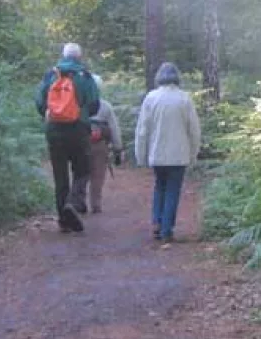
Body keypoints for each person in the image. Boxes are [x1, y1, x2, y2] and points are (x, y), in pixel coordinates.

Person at [35, 42, 100, 233]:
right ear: (79, 57)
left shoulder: (51, 75)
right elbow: (95, 104)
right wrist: (84, 113)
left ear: (63, 56)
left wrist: (49, 114)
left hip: (54, 129)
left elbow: (39, 101)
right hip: (78, 129)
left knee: (60, 175)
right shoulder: (85, 76)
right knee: (83, 169)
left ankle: (64, 221)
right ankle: (73, 202)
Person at [135, 62, 201, 243]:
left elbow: (142, 130)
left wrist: (140, 155)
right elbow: (194, 130)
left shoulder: (151, 98)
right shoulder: (184, 99)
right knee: (173, 190)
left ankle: (156, 221)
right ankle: (166, 230)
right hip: (179, 155)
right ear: (177, 77)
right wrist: (193, 154)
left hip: (157, 153)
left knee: (159, 187)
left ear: (159, 77)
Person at [86, 76, 124, 214]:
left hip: (81, 143)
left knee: (81, 173)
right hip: (100, 144)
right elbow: (114, 128)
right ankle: (95, 204)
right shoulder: (106, 106)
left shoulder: (78, 104)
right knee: (98, 175)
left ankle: (78, 202)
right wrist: (118, 147)